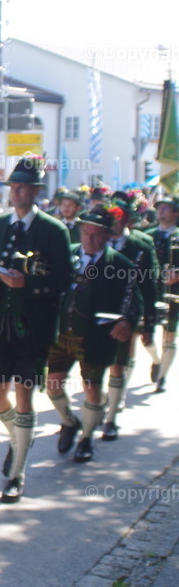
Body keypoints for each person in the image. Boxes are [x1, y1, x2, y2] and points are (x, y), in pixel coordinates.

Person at [0, 154, 71, 503]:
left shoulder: (53, 229)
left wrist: (28, 286)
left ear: (35, 191)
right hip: (1, 326)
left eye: (22, 187)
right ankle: (19, 437)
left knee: (23, 394)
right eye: (13, 186)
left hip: (34, 327)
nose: (16, 192)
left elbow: (64, 279)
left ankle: (17, 473)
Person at [45, 205, 141, 463]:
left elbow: (134, 301)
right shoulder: (67, 255)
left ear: (108, 235)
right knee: (52, 384)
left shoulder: (120, 264)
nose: (90, 239)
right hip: (62, 334)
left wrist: (128, 321)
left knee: (92, 389)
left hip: (95, 337)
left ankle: (86, 438)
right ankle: (69, 421)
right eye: (86, 232)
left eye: (96, 234)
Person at [102, 192, 159, 439]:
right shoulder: (96, 239)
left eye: (119, 218)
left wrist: (149, 324)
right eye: (110, 218)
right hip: (95, 312)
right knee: (92, 368)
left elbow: (149, 288)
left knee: (118, 364)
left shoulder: (141, 245)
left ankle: (112, 417)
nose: (113, 223)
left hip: (126, 312)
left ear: (127, 220)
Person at [147, 195, 179, 393]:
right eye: (159, 208)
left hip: (175, 292)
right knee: (146, 337)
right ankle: (156, 360)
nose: (161, 211)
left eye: (166, 208)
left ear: (176, 213)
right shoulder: (148, 234)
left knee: (169, 335)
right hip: (151, 290)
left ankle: (163, 377)